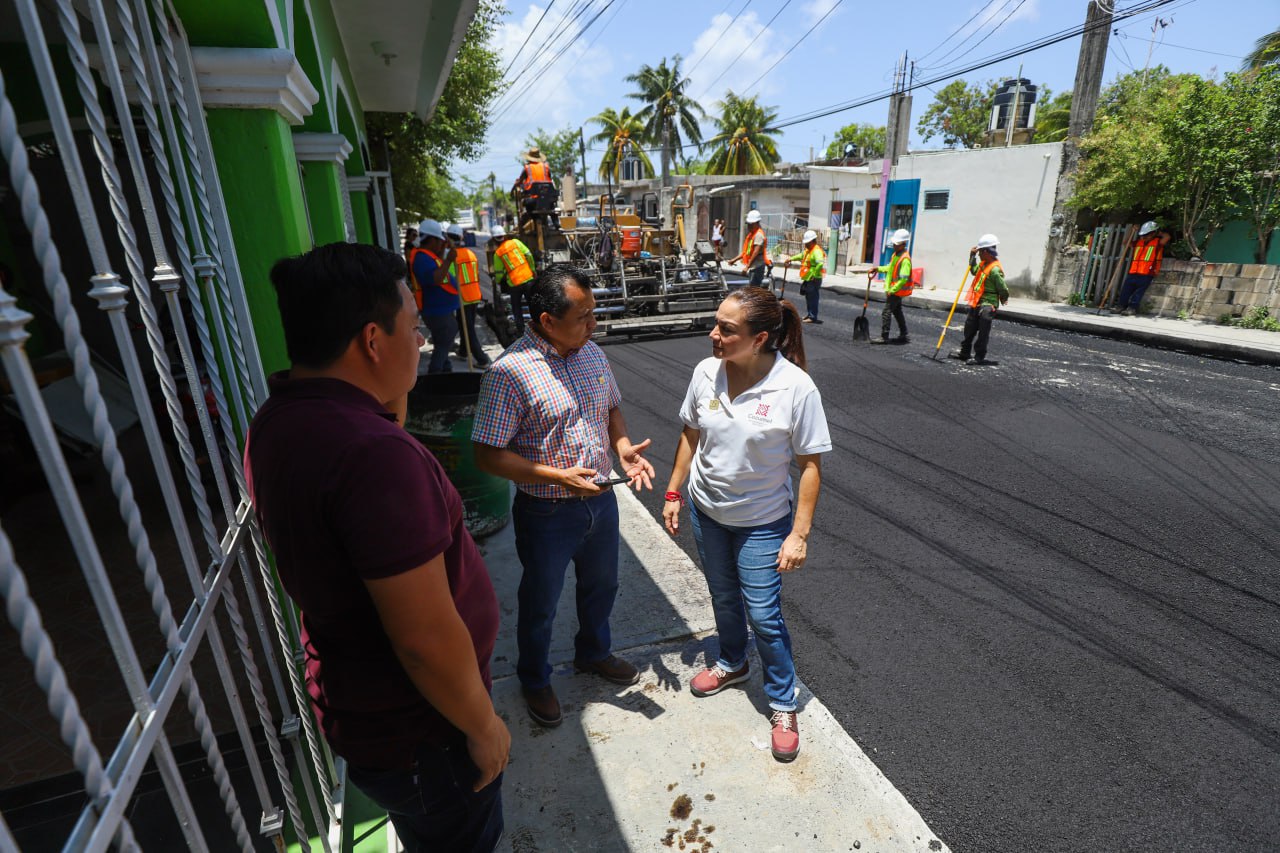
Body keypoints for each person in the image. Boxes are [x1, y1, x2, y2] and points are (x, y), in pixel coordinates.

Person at [245, 242, 510, 851]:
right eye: (413, 327)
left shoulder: (281, 419)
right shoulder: (374, 456)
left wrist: (391, 389)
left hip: (367, 714)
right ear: (371, 340)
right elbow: (423, 638)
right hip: (428, 734)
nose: (421, 339)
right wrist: (483, 726)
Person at [472, 266, 655, 729]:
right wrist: (557, 477)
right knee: (541, 601)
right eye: (583, 317)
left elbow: (610, 407)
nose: (594, 324)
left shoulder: (591, 352)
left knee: (602, 586)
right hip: (546, 512)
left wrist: (622, 448)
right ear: (547, 321)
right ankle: (535, 677)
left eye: (594, 313)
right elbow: (488, 455)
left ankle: (593, 653)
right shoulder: (509, 373)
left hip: (601, 501)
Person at [661, 286, 831, 763]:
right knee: (722, 596)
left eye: (726, 329)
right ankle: (733, 661)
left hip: (762, 522)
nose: (713, 335)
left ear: (759, 339)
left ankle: (783, 702)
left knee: (764, 615)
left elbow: (810, 467)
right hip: (706, 512)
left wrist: (798, 535)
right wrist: (673, 492)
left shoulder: (795, 388)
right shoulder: (705, 372)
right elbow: (690, 434)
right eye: (716, 324)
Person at [949, 233, 1009, 366]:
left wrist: (1004, 298)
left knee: (983, 331)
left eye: (980, 251)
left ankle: (979, 357)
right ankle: (964, 353)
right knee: (969, 328)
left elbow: (1003, 288)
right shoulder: (983, 264)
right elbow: (973, 271)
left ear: (987, 252)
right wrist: (972, 256)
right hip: (977, 301)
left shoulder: (995, 270)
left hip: (988, 304)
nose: (979, 254)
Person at [414, 219, 461, 373]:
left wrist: (445, 248)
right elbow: (436, 279)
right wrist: (449, 260)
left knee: (443, 344)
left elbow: (439, 263)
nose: (441, 244)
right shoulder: (422, 258)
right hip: (437, 311)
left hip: (441, 309)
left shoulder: (428, 256)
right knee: (443, 345)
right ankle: (435, 373)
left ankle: (445, 371)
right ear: (432, 239)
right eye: (439, 241)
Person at [447, 224, 491, 368]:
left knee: (468, 328)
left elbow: (450, 279)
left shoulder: (452, 257)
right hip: (474, 294)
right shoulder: (470, 253)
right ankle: (463, 351)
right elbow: (476, 274)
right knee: (466, 325)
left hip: (463, 297)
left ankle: (482, 359)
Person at [1114, 221, 1171, 316]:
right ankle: (1120, 306)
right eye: (1143, 235)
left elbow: (1167, 237)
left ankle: (1132, 309)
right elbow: (1125, 243)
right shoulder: (1138, 242)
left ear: (1153, 233)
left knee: (1138, 293)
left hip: (1147, 273)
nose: (1144, 237)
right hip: (1133, 271)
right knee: (1125, 290)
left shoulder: (1157, 242)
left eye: (1147, 235)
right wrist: (1132, 231)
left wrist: (1159, 232)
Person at [489, 225, 536, 336]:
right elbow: (528, 255)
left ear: (494, 239)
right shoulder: (516, 242)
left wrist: (499, 281)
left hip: (514, 283)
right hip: (528, 278)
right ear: (504, 235)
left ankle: (521, 331)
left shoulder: (498, 253)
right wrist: (533, 269)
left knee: (516, 308)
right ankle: (538, 326)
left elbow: (499, 273)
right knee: (533, 304)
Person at [869, 228, 913, 344]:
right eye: (894, 243)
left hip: (896, 291)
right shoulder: (896, 255)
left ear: (903, 244)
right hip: (894, 290)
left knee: (886, 312)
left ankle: (884, 337)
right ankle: (904, 334)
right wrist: (878, 269)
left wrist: (892, 290)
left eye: (896, 244)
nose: (894, 246)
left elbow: (903, 279)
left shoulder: (905, 259)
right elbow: (890, 268)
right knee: (897, 311)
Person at [785, 229, 826, 324]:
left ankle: (812, 317)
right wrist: (790, 259)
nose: (805, 244)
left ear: (812, 241)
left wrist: (814, 275)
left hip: (814, 278)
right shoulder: (809, 250)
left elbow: (820, 264)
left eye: (807, 242)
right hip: (809, 278)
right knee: (808, 297)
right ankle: (810, 314)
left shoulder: (816, 251)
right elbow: (801, 256)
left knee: (813, 297)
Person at [728, 209, 770, 288]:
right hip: (753, 266)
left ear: (757, 223)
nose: (749, 226)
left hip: (757, 267)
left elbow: (755, 252)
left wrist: (747, 267)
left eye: (751, 224)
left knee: (754, 289)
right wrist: (734, 260)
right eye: (748, 224)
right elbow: (746, 252)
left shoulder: (758, 235)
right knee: (752, 288)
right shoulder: (752, 235)